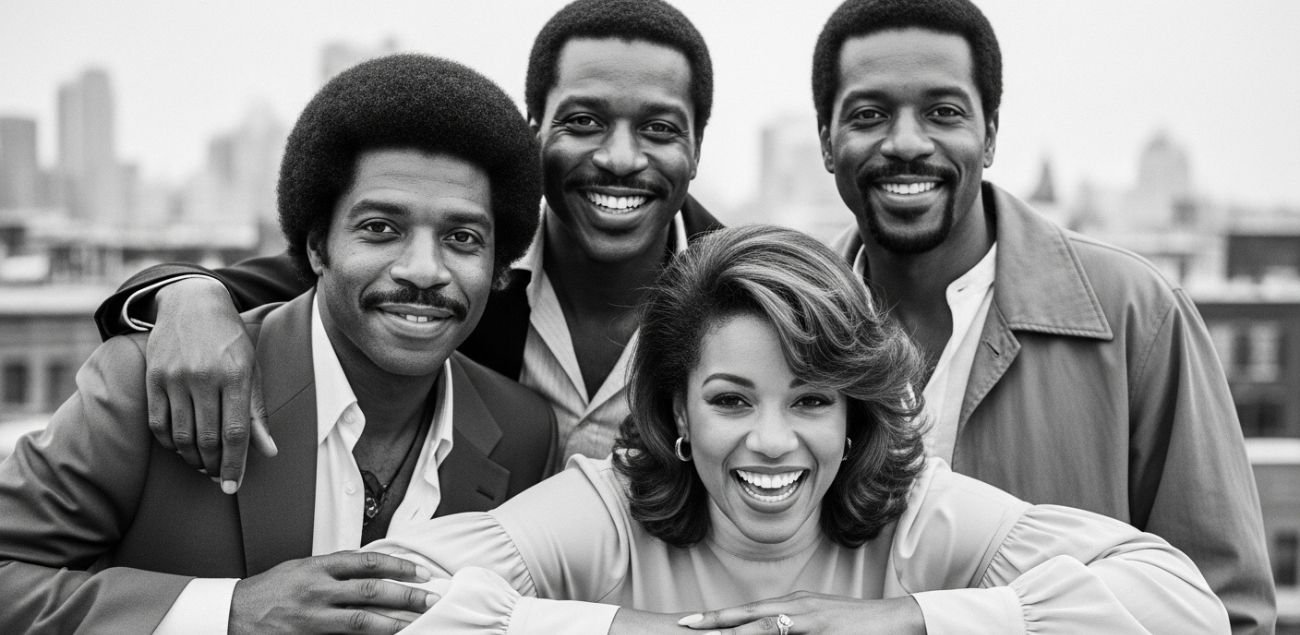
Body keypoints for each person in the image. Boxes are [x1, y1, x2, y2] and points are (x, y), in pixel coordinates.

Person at [362, 225, 1229, 634]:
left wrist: (912, 618)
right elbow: (378, 602)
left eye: (811, 400)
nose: (772, 441)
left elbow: (1183, 605)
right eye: (732, 400)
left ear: (854, 415)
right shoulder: (604, 508)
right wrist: (621, 631)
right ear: (675, 412)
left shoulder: (919, 513)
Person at [0, 54, 554, 633]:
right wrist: (227, 613)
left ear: (497, 267)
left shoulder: (523, 433)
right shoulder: (144, 381)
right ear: (317, 247)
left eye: (462, 238)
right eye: (381, 229)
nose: (423, 269)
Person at [90, 0, 723, 486]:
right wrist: (189, 297)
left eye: (660, 128)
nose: (619, 156)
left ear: (696, 147)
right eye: (583, 121)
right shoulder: (464, 250)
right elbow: (306, 275)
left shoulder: (745, 289)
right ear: (535, 133)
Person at [810, 0, 1273, 631]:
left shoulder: (1136, 315)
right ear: (826, 142)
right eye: (869, 115)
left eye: (944, 112)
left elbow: (1225, 607)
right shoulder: (780, 327)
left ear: (991, 134)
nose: (908, 142)